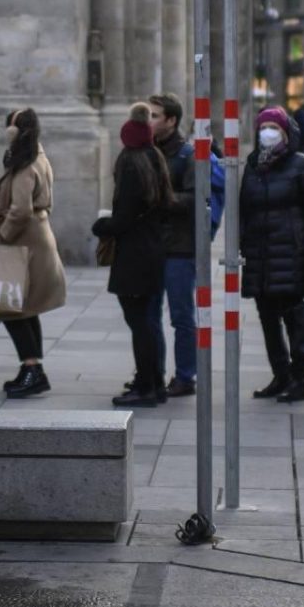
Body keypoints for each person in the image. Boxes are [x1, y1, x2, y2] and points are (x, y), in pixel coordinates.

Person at [241, 106, 304, 404]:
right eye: (263, 127)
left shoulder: (301, 164)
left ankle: (301, 380)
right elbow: (244, 209)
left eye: (274, 128)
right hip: (261, 254)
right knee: (267, 319)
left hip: (292, 254)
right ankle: (281, 375)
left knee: (295, 320)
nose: (268, 133)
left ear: (285, 132)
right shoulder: (254, 164)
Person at [94, 104, 172, 408]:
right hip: (153, 250)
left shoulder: (130, 162)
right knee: (147, 322)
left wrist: (102, 226)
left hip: (134, 255)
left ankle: (147, 386)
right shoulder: (155, 157)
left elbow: (124, 216)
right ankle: (153, 382)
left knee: (139, 323)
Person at [0, 108, 67, 399]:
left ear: (14, 131)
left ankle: (32, 369)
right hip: (35, 238)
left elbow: (20, 210)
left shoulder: (25, 164)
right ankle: (32, 368)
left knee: (12, 308)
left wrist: (1, 233)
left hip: (24, 242)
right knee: (25, 307)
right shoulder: (37, 157)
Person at [148, 93, 198, 397]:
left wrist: (164, 199)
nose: (150, 120)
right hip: (150, 245)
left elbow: (196, 198)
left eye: (156, 115)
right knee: (149, 316)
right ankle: (153, 374)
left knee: (181, 315)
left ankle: (185, 377)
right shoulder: (145, 152)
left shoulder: (187, 155)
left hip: (179, 247)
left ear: (171, 120)